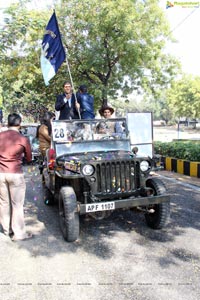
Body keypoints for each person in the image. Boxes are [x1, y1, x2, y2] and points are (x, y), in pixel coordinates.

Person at [0, 113, 32, 241]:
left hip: (1, 174)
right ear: (19, 124)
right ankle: (18, 233)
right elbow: (29, 158)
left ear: (7, 123)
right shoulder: (22, 139)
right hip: (16, 174)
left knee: (3, 203)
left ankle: (6, 230)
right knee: (17, 204)